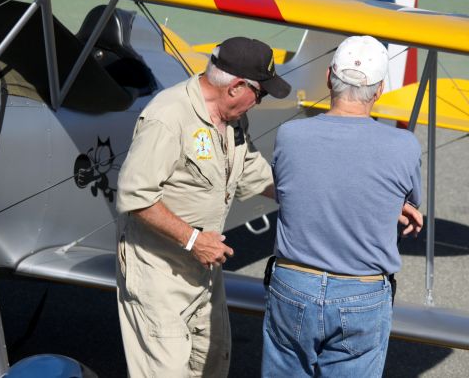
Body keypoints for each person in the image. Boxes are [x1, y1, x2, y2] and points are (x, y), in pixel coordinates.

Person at [115, 37, 291, 377]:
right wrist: (193, 240)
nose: (259, 102)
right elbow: (135, 195)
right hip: (158, 272)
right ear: (238, 86)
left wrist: (319, 195)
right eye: (261, 93)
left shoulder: (233, 119)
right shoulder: (168, 116)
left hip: (205, 270)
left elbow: (252, 171)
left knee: (210, 365)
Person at [262, 35, 423, 377]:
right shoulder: (404, 145)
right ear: (378, 91)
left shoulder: (291, 135)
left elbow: (297, 188)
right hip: (361, 293)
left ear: (328, 78)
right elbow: (408, 198)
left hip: (293, 282)